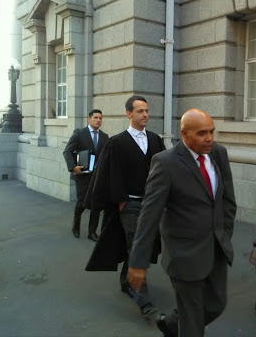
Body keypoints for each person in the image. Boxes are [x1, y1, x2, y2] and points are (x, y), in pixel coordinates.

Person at [127, 109, 237, 337]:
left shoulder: (218, 153)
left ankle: (170, 324)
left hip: (216, 248)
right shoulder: (165, 163)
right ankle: (182, 325)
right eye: (202, 133)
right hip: (183, 255)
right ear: (184, 134)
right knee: (193, 323)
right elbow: (149, 215)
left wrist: (224, 233)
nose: (209, 138)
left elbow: (227, 201)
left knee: (217, 305)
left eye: (212, 132)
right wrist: (138, 263)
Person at [84, 95, 166, 318]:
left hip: (151, 205)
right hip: (129, 205)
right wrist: (120, 200)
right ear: (129, 114)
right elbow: (109, 172)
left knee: (141, 246)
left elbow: (165, 170)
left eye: (147, 111)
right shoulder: (117, 142)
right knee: (137, 247)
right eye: (140, 111)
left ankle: (125, 282)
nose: (145, 115)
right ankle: (145, 302)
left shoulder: (155, 140)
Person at [63, 109, 108, 241]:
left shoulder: (105, 137)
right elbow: (67, 151)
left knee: (96, 205)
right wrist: (73, 168)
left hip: (98, 176)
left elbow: (106, 156)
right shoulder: (79, 133)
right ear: (89, 119)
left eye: (100, 118)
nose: (98, 120)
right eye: (95, 117)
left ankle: (92, 232)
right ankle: (75, 226)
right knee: (82, 203)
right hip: (82, 175)